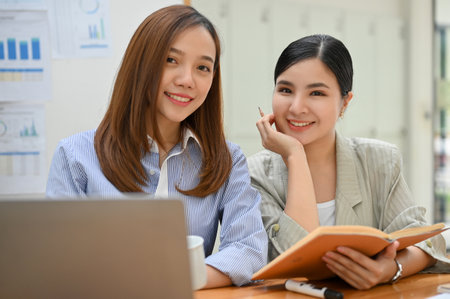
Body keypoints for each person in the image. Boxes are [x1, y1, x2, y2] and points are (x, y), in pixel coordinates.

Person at [46, 5, 267, 288]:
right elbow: (59, 263)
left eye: (202, 67)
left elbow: (249, 250)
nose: (187, 80)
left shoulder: (227, 159)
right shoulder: (75, 156)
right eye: (171, 60)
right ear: (141, 64)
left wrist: (171, 278)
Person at [248, 34, 450, 290]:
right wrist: (295, 156)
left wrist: (388, 269)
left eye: (317, 93)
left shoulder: (379, 161)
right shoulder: (254, 174)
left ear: (344, 102)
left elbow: (427, 242)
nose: (296, 107)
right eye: (285, 90)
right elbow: (298, 259)